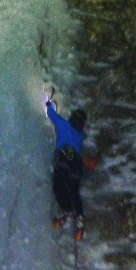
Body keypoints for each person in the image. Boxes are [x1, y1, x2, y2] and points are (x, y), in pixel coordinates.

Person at [45, 97, 88, 241]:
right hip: (76, 166)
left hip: (64, 161)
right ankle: (78, 215)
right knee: (73, 190)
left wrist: (49, 104)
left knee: (59, 187)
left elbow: (52, 115)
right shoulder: (80, 136)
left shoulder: (64, 125)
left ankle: (67, 210)